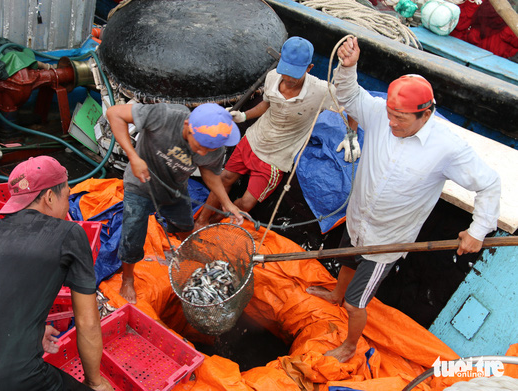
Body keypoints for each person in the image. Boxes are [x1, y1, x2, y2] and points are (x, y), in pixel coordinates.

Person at [306, 37, 501, 363]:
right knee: (347, 259)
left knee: (358, 303)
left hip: (386, 242)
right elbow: (351, 95)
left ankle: (349, 346)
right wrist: (349, 67)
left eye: (401, 119)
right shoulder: (382, 116)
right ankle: (336, 295)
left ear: (425, 114)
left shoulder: (447, 148)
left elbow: (490, 184)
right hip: (358, 220)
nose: (391, 123)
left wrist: (478, 230)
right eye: (389, 115)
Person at [0, 156, 113, 391]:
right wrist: (94, 382)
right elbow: (87, 322)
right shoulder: (69, 233)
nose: (68, 206)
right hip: (10, 379)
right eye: (67, 196)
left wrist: (32, 332)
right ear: (49, 197)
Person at [194, 36, 359, 229]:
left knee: (246, 204)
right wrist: (244, 116)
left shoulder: (321, 91)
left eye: (294, 74)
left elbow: (351, 102)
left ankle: (216, 223)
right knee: (224, 179)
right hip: (253, 139)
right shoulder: (273, 76)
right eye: (285, 72)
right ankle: (201, 221)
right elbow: (266, 103)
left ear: (309, 68)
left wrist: (351, 133)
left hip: (275, 158)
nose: (287, 79)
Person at [107, 102, 244, 304]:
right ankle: (128, 278)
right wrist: (133, 156)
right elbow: (114, 113)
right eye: (199, 146)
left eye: (209, 149)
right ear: (188, 126)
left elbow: (210, 173)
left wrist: (227, 203)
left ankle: (189, 251)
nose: (204, 153)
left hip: (175, 189)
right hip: (140, 185)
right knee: (132, 235)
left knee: (185, 224)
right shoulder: (165, 115)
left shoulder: (214, 146)